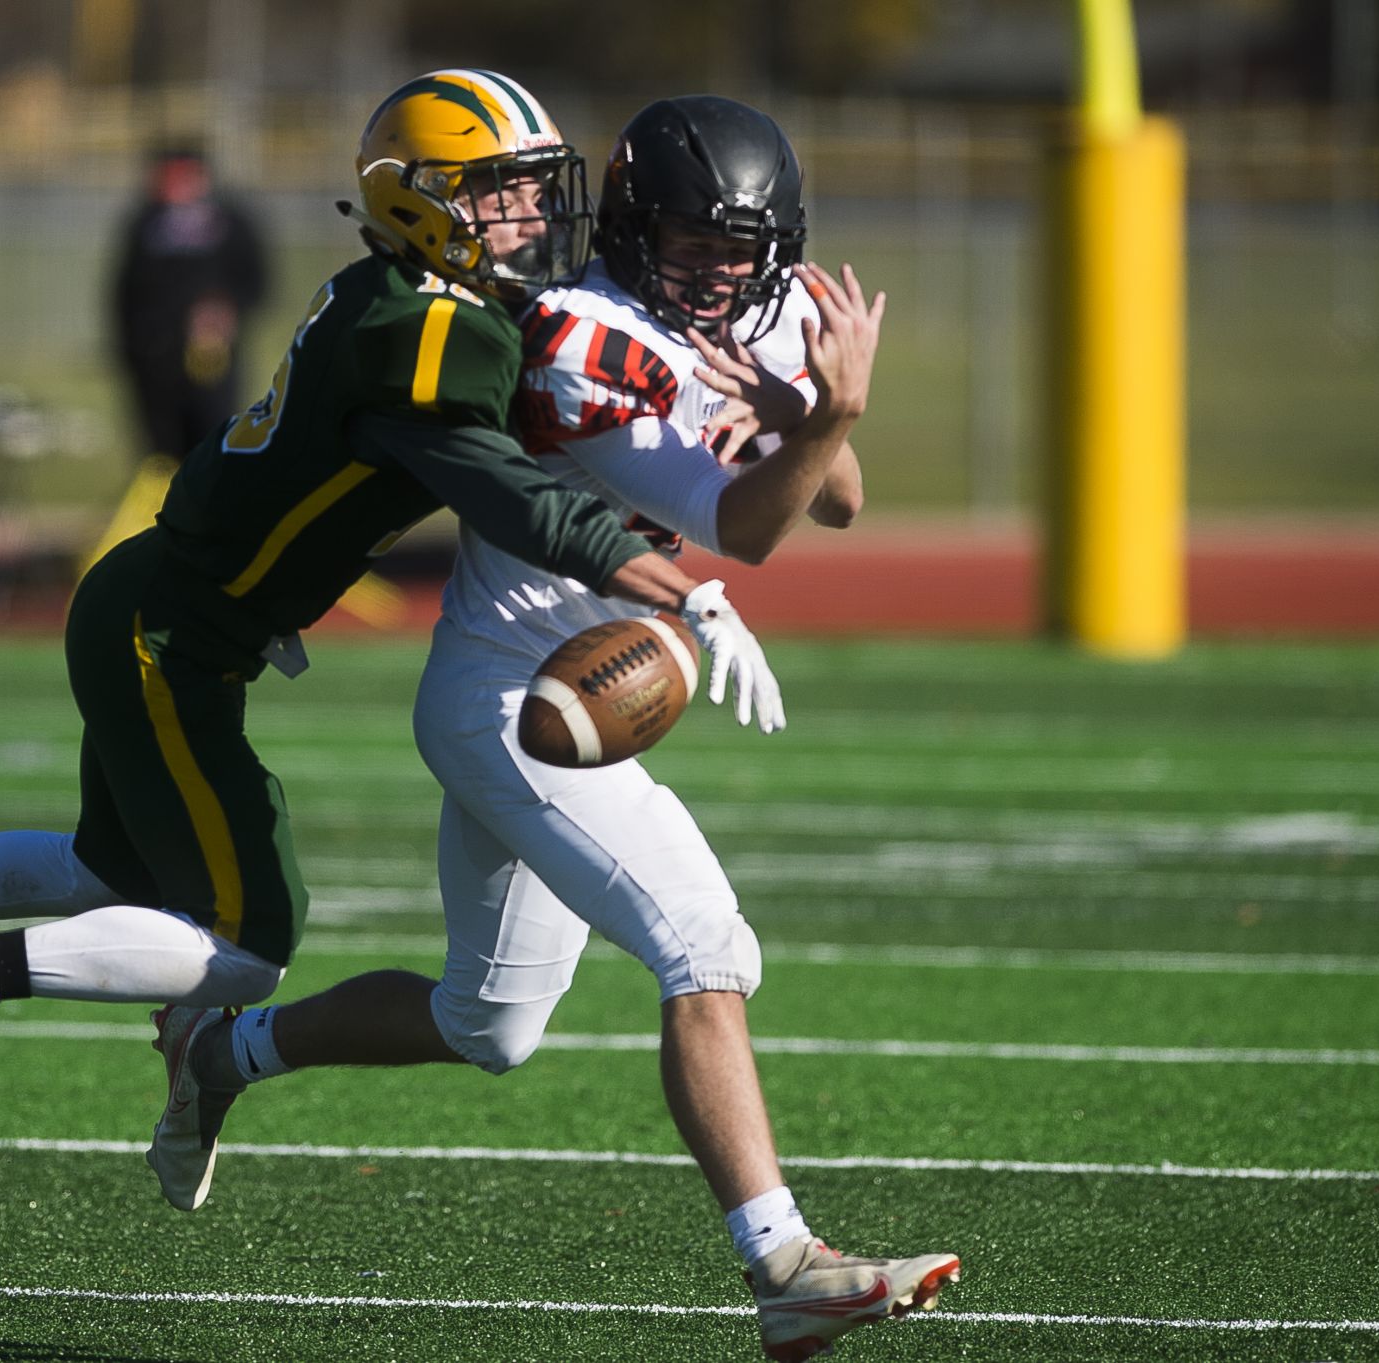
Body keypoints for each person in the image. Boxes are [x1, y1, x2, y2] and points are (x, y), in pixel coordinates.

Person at [0, 71, 781, 1146]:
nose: (529, 214)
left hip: (158, 607)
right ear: (418, 201)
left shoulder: (406, 296)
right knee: (248, 942)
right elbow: (509, 495)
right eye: (497, 192)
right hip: (170, 635)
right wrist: (674, 582)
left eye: (533, 187)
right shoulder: (434, 331)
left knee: (108, 871)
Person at [152, 96, 958, 1363]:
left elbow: (837, 500)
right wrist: (821, 421)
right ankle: (785, 1268)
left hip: (559, 695)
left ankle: (220, 1050)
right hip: (512, 697)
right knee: (704, 946)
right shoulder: (583, 336)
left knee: (487, 1025)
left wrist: (806, 412)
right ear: (634, 232)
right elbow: (744, 526)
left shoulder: (762, 307)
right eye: (691, 246)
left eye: (739, 252)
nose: (719, 275)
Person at [85, 144, 271, 572]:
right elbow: (123, 291)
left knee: (212, 451)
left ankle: (220, 547)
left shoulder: (229, 222)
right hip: (153, 364)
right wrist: (127, 349)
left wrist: (224, 309)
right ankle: (160, 546)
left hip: (211, 367)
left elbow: (257, 281)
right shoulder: (144, 223)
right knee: (158, 459)